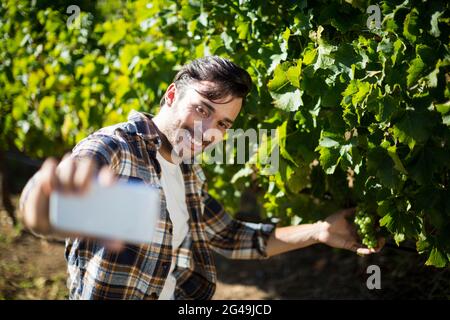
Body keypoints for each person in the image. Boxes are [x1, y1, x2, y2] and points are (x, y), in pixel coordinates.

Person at [19, 56, 384, 300]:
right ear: (171, 95)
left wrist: (319, 230)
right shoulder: (115, 148)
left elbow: (227, 235)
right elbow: (44, 214)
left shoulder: (187, 170)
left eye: (223, 123)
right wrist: (43, 203)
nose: (210, 130)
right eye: (202, 109)